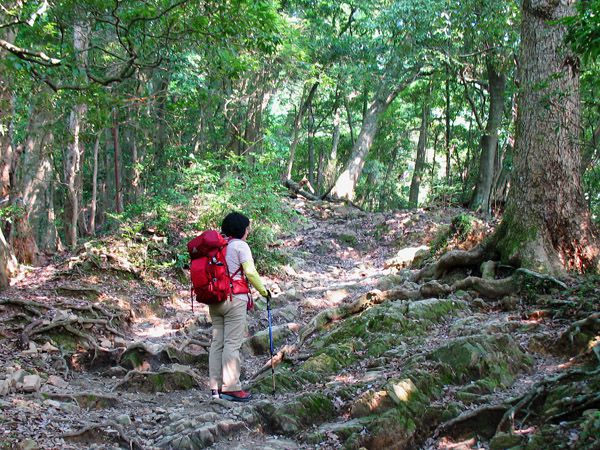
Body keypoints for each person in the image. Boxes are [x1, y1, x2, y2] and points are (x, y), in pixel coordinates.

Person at [208, 212, 269, 402]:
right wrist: (265, 292)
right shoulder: (240, 246)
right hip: (235, 299)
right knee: (232, 344)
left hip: (215, 299)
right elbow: (250, 272)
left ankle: (216, 388)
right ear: (241, 229)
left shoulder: (217, 246)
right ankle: (231, 387)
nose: (248, 231)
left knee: (217, 343)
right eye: (247, 227)